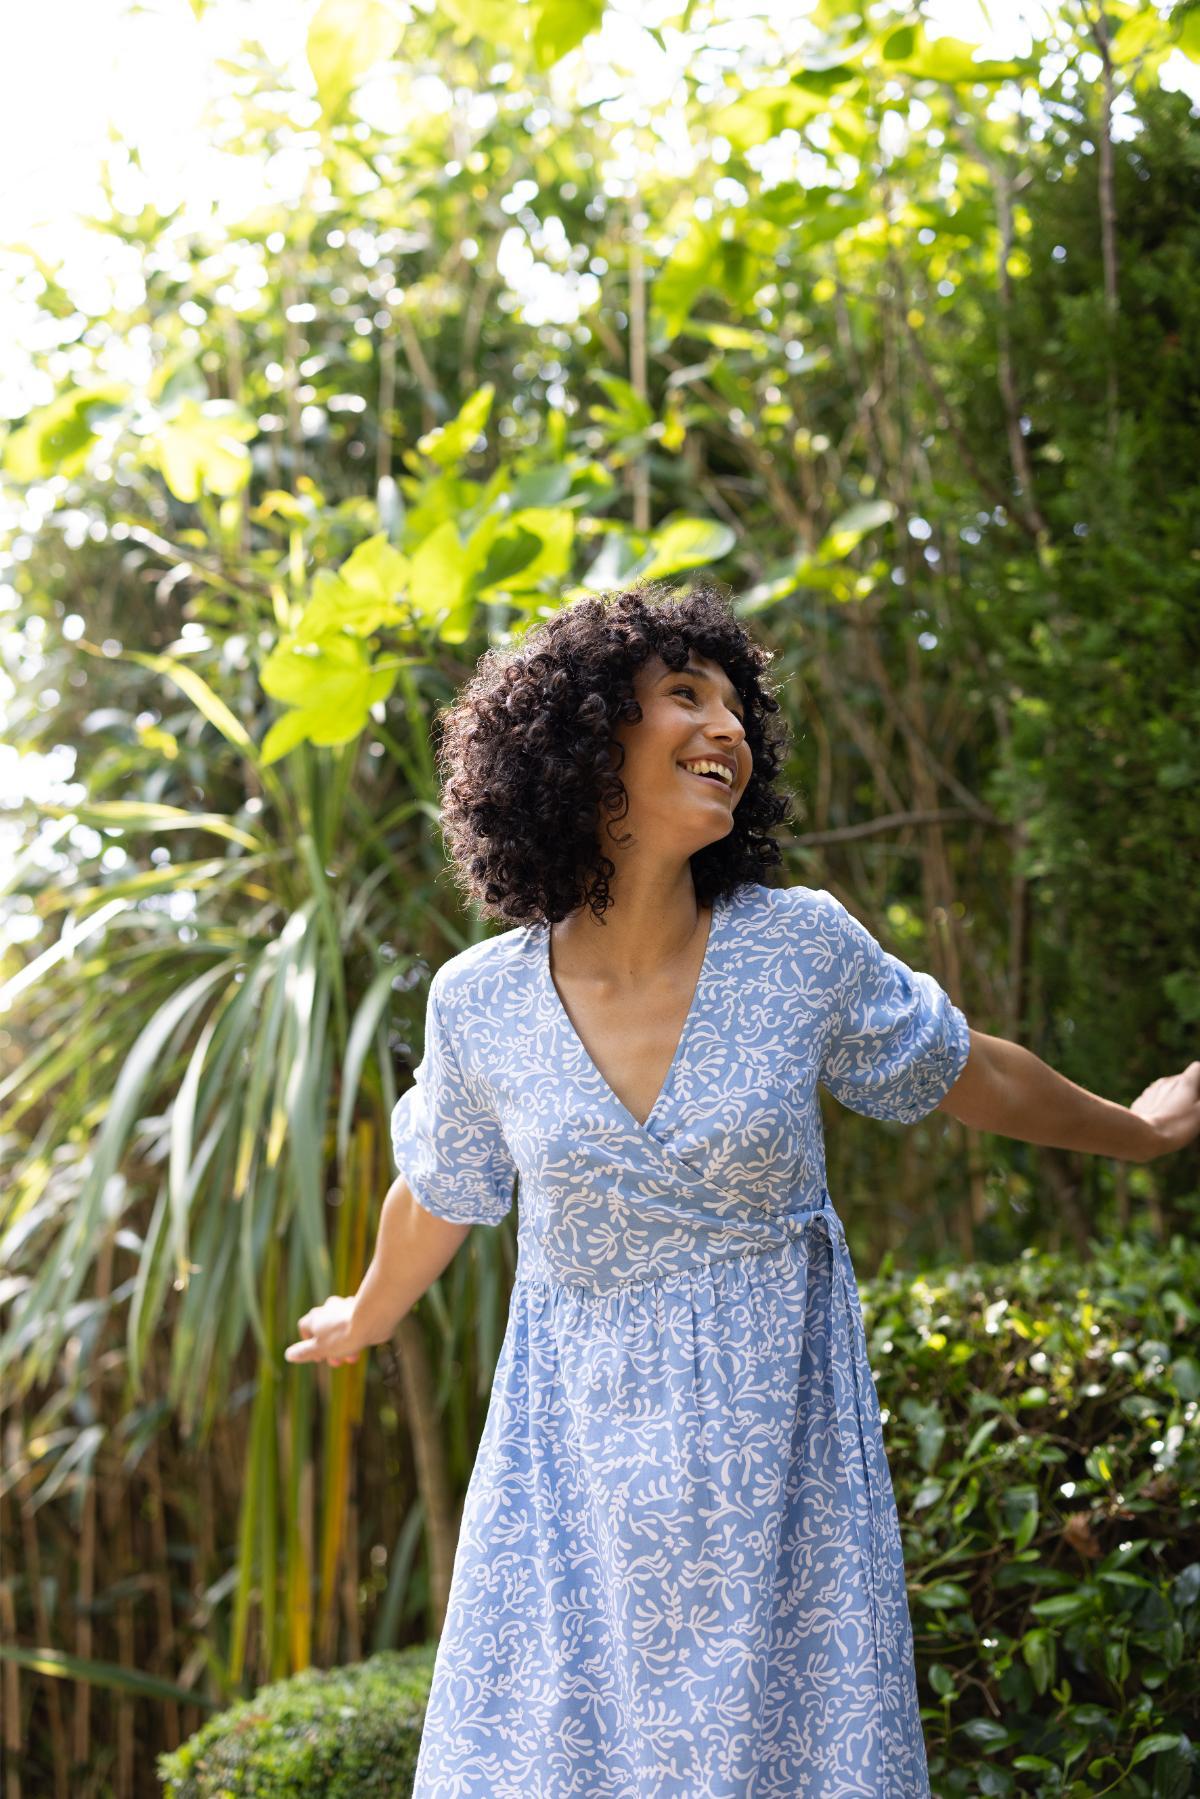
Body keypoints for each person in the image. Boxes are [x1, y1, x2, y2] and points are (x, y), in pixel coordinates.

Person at [284, 580, 1199, 1798]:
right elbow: (440, 1186)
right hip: (574, 1478)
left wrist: (1139, 1129)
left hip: (781, 1462)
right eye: (684, 694)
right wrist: (366, 1313)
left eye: (736, 707)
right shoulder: (479, 1002)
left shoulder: (798, 945)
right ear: (582, 734)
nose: (728, 727)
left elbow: (967, 1069)